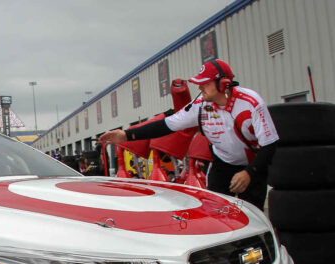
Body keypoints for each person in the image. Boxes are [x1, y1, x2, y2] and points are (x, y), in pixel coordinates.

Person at [99, 59, 278, 210]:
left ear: (223, 84)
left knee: (254, 214)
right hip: (222, 165)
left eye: (205, 83)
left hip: (254, 166)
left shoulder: (251, 102)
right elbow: (168, 125)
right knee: (216, 214)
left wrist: (249, 172)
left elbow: (270, 144)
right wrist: (126, 135)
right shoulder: (200, 105)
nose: (200, 87)